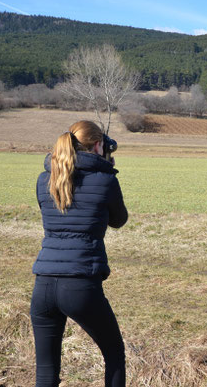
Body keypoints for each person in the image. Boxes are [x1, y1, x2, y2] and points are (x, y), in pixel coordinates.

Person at [30, 120, 128, 386]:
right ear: (98, 145)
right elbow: (119, 220)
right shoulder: (105, 181)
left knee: (46, 372)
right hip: (80, 285)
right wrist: (107, 168)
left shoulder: (44, 180)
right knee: (114, 354)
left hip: (43, 286)